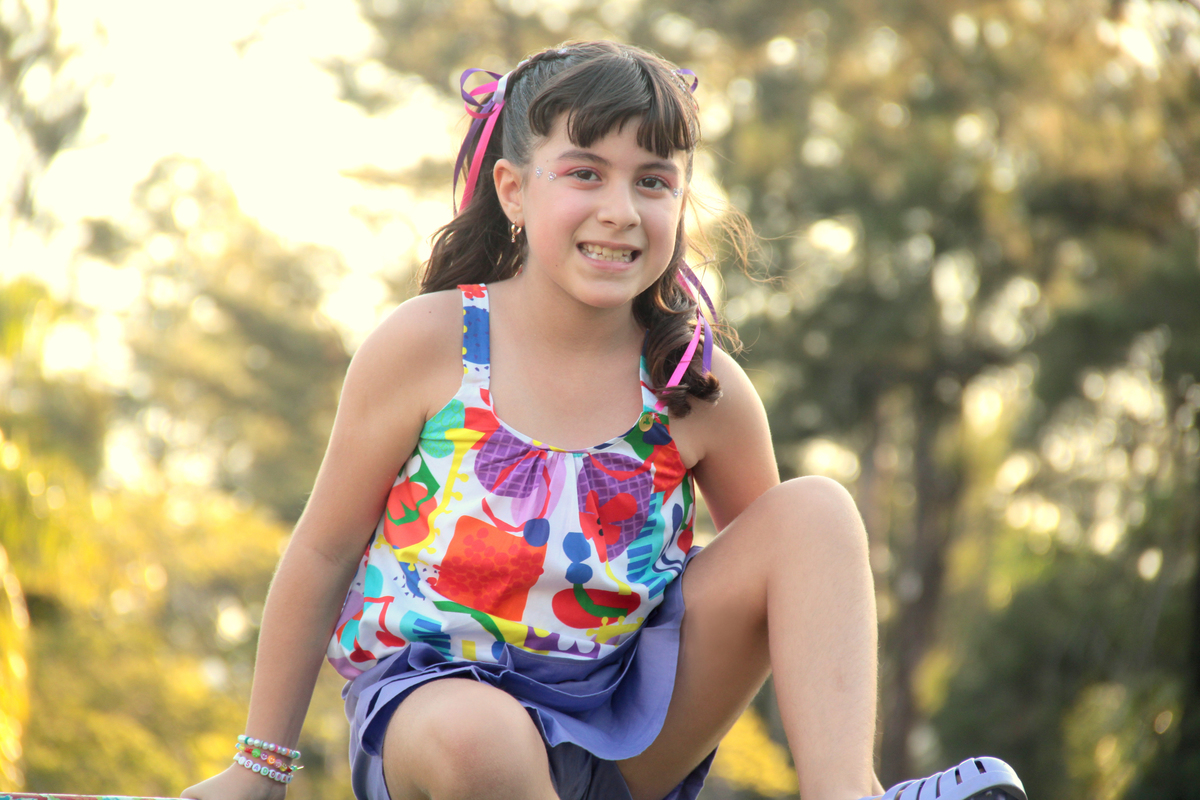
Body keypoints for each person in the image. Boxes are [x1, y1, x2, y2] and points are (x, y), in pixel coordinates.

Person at [182, 40, 1026, 800]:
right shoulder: (431, 345)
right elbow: (325, 549)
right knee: (483, 738)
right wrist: (258, 769)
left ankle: (847, 795)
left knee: (815, 514)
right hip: (436, 719)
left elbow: (782, 601)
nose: (622, 207)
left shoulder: (698, 388)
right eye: (585, 172)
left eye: (653, 180)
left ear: (683, 198)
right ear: (512, 190)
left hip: (626, 726)